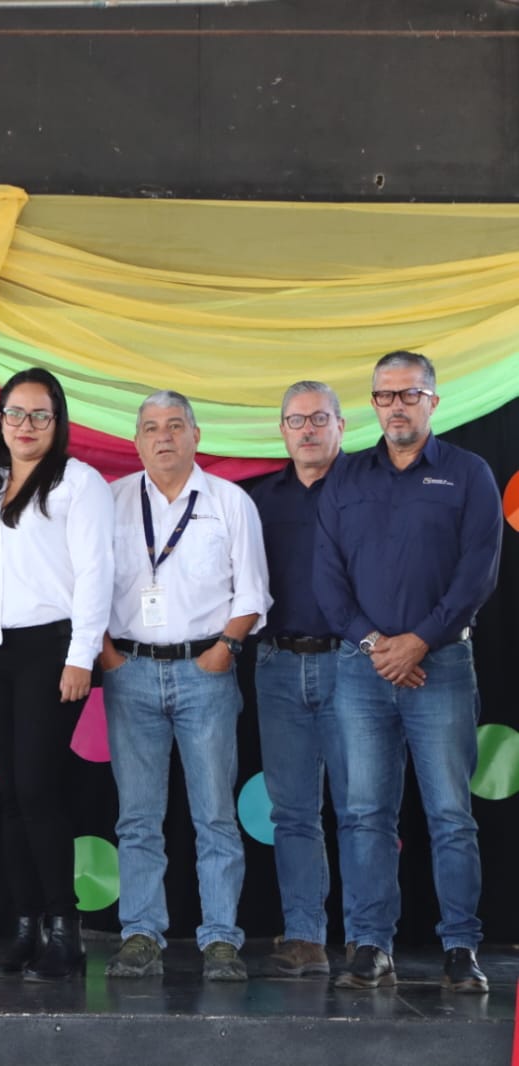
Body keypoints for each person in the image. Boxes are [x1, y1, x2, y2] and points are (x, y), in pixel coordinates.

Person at [315, 351, 502, 993]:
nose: (396, 406)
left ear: (433, 401)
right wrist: (378, 646)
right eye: (384, 396)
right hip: (363, 670)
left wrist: (419, 642)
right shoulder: (346, 478)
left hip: (441, 666)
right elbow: (327, 577)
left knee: (451, 814)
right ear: (372, 404)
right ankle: (370, 945)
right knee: (365, 812)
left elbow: (478, 571)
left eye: (409, 394)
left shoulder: (468, 474)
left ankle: (460, 949)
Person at [0, 368, 114, 982]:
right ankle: (25, 927)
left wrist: (80, 656)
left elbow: (97, 572)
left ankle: (66, 933)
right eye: (16, 413)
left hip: (52, 649)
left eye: (40, 415)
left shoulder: (79, 484)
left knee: (38, 789)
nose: (27, 426)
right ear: (0, 419)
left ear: (57, 422)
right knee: (10, 793)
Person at [98, 390, 270, 982]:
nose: (163, 436)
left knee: (215, 814)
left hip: (207, 673)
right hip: (130, 673)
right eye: (151, 427)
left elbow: (253, 592)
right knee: (137, 818)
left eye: (175, 426)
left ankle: (220, 938)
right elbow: (84, 588)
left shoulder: (229, 502)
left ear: (196, 436)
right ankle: (141, 934)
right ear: (137, 441)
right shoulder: (111, 502)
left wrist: (226, 650)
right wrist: (107, 656)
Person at [248, 381, 348, 978]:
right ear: (282, 432)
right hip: (277, 663)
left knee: (364, 806)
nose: (307, 430)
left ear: (341, 425)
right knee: (293, 810)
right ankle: (307, 935)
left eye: (318, 419)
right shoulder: (258, 500)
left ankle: (366, 939)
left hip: (354, 663)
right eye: (295, 421)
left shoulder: (367, 489)